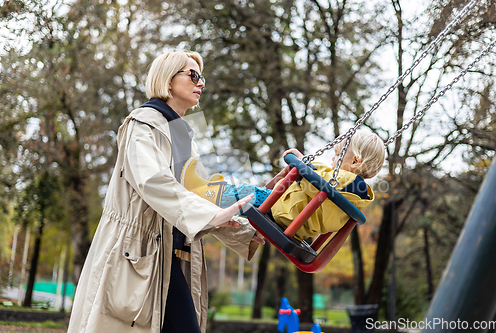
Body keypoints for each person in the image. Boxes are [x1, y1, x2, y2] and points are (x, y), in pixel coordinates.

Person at [67, 51, 264, 333]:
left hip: (169, 257)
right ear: (167, 81)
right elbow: (153, 182)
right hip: (136, 252)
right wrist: (212, 215)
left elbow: (202, 196)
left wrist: (246, 230)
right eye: (192, 75)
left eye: (202, 77)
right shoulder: (142, 124)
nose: (201, 84)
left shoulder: (184, 136)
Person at [181, 129, 385, 240]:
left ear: (356, 161)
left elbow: (315, 177)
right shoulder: (359, 194)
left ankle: (201, 191)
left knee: (244, 193)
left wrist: (301, 160)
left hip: (283, 211)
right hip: (297, 226)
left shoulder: (343, 180)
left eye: (338, 156)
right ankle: (213, 189)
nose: (333, 161)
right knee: (244, 195)